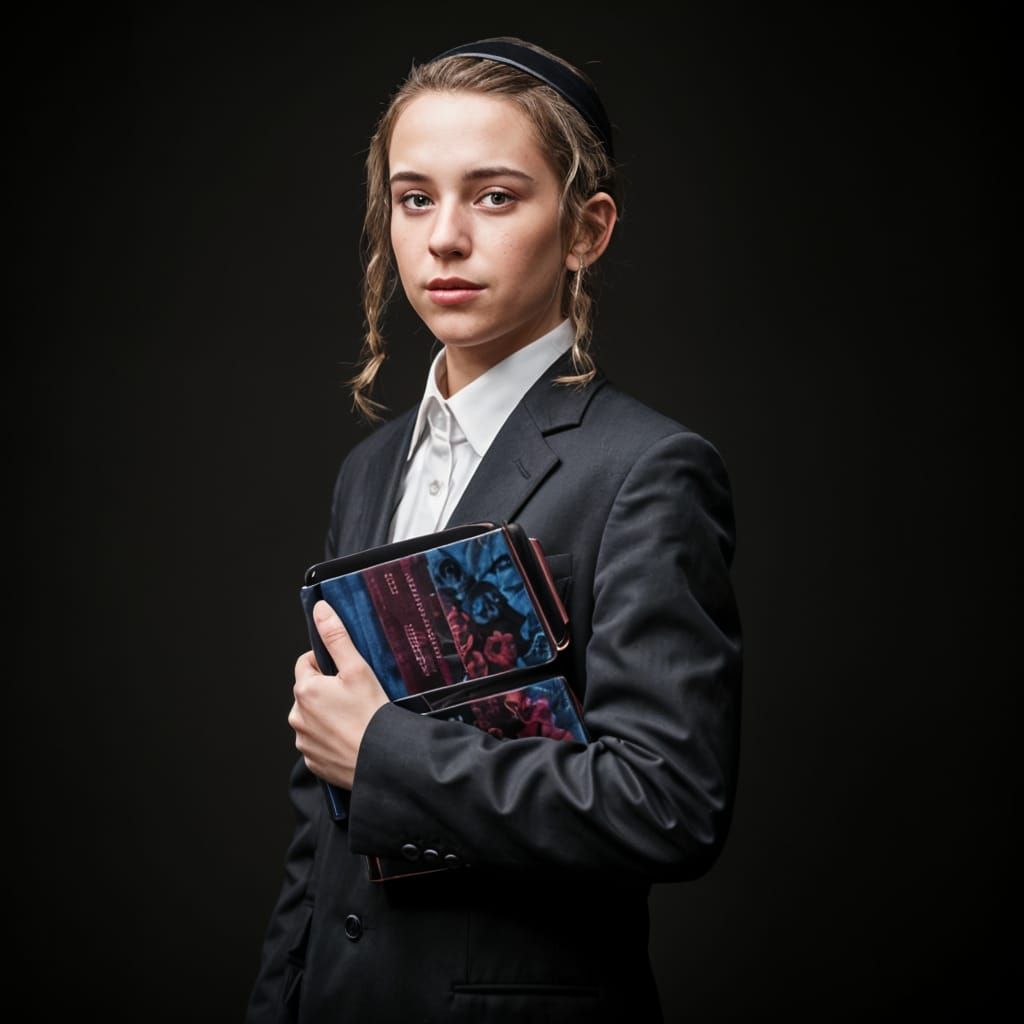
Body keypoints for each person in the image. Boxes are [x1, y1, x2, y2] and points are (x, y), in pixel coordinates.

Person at [247, 36, 742, 1024]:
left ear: (586, 228)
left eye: (497, 196)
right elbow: (324, 826)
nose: (444, 238)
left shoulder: (644, 469)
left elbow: (669, 804)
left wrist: (385, 750)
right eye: (415, 196)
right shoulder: (368, 471)